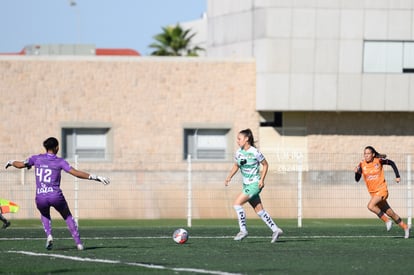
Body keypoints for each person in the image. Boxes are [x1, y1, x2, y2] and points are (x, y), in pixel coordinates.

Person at [5, 137, 110, 250]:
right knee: (67, 216)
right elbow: (75, 173)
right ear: (57, 148)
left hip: (40, 196)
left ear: (46, 147)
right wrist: (95, 177)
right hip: (55, 195)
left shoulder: (36, 158)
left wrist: (11, 162)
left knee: (45, 214)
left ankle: (49, 235)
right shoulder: (60, 161)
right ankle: (78, 243)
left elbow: (20, 164)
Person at [225, 128, 283, 243]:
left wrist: (262, 180)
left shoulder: (255, 152)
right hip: (247, 185)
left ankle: (243, 230)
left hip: (254, 184)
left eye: (239, 138)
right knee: (259, 210)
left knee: (237, 204)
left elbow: (265, 165)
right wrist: (229, 176)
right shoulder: (238, 152)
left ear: (246, 139)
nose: (237, 141)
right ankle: (276, 230)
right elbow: (236, 165)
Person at [354, 146, 409, 239]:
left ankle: (387, 221)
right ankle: (405, 227)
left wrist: (397, 176)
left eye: (368, 153)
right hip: (374, 194)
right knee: (391, 213)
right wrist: (356, 172)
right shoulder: (362, 164)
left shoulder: (378, 161)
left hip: (382, 190)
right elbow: (357, 179)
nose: (366, 155)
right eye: (365, 154)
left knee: (370, 206)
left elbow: (391, 163)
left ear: (373, 154)